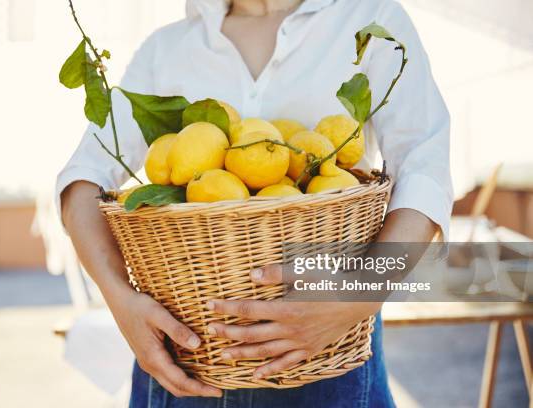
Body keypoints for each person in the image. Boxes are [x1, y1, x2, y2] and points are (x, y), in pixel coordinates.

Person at [56, 0, 453, 406]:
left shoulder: (371, 20)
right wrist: (119, 299)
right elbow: (82, 178)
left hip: (330, 353)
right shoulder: (167, 47)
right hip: (189, 359)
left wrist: (356, 295)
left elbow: (425, 169)